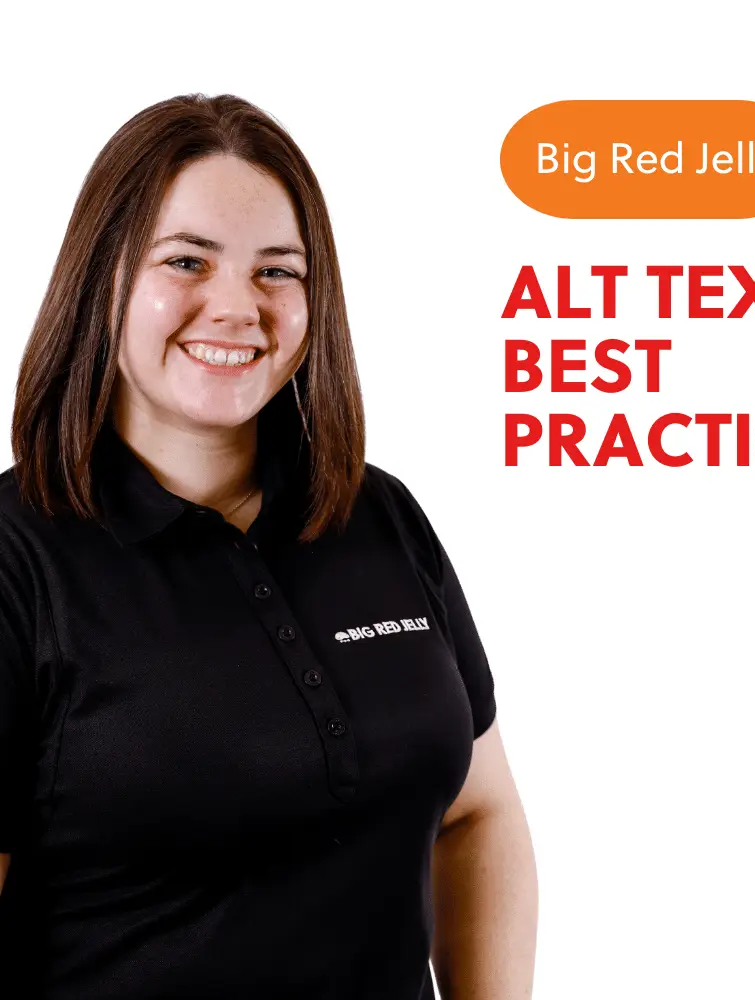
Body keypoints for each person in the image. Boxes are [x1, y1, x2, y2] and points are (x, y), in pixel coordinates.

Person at [0, 93, 537, 999]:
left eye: (276, 272)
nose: (235, 306)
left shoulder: (379, 515)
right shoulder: (20, 562)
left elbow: (476, 813)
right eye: (186, 260)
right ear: (105, 280)